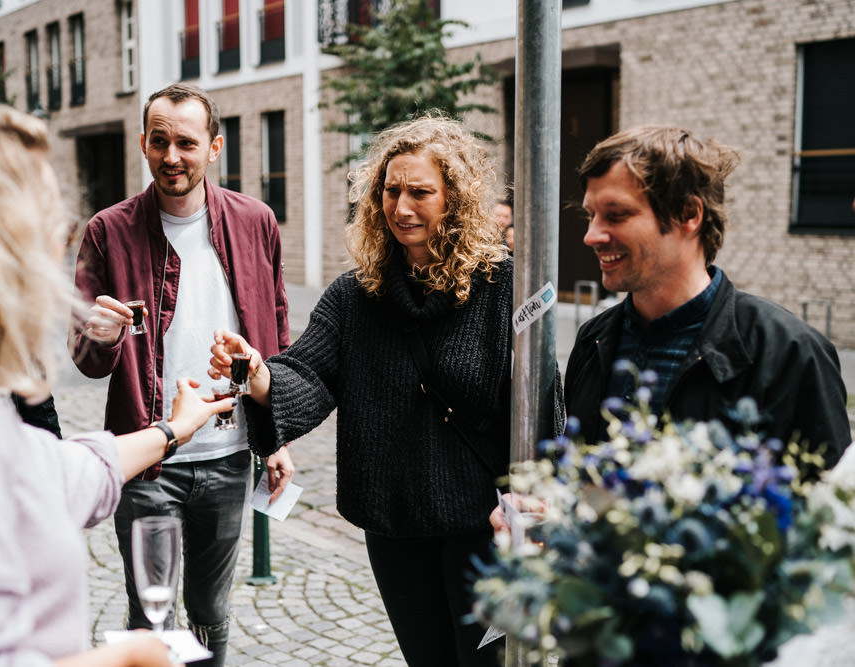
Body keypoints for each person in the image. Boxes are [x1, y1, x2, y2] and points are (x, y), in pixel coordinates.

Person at [0, 105, 233, 665]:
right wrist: (123, 660)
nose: (61, 242)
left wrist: (174, 428)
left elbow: (62, 474)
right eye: (50, 223)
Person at [208, 114, 563, 667]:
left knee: (492, 664)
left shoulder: (505, 288)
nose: (401, 208)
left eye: (421, 192)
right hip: (396, 526)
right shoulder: (356, 295)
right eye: (391, 191)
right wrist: (258, 375)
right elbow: (308, 372)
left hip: (487, 529)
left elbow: (544, 408)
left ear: (455, 200)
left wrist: (542, 508)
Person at [493, 125, 851, 534]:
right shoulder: (594, 340)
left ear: (689, 214)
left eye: (617, 215)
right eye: (591, 215)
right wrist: (545, 513)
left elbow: (829, 527)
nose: (591, 235)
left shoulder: (789, 351)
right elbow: (585, 489)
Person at [69, 82, 293, 666]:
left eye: (187, 143)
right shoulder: (107, 232)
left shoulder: (255, 222)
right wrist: (100, 333)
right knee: (150, 614)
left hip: (226, 457)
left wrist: (276, 438)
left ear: (214, 147)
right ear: (143, 143)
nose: (172, 156)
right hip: (146, 458)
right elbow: (87, 362)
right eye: (160, 141)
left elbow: (274, 336)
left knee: (211, 613)